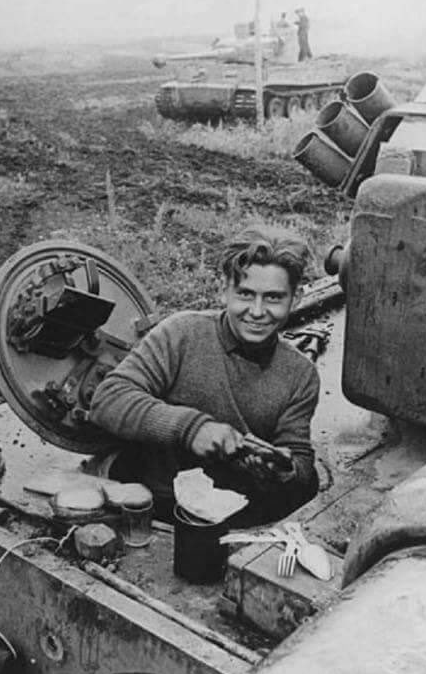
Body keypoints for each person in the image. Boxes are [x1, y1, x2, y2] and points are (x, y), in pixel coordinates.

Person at [89, 225, 320, 526]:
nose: (257, 311)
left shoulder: (301, 374)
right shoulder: (181, 334)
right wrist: (191, 429)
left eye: (274, 298)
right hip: (156, 507)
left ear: (297, 298)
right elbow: (108, 400)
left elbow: (301, 460)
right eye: (245, 294)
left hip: (242, 517)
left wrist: (283, 469)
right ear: (224, 290)